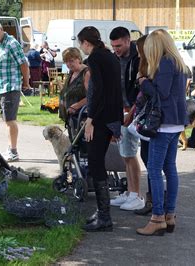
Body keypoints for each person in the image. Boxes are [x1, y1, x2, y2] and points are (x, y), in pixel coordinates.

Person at [136, 29, 189, 236]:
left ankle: (157, 217)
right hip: (175, 122)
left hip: (164, 123)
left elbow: (161, 93)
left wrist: (144, 82)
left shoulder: (166, 63)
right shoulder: (179, 63)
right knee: (170, 168)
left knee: (154, 168)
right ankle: (170, 215)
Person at [78, 26, 123, 232]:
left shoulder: (95, 59)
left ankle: (105, 217)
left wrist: (90, 118)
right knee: (97, 161)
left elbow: (98, 91)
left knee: (96, 163)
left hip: (101, 118)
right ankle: (101, 211)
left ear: (87, 43)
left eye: (81, 44)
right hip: (112, 116)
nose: (82, 48)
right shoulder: (110, 57)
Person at [108, 27, 144, 211]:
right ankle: (130, 192)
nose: (116, 49)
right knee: (125, 154)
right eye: (113, 46)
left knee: (131, 154)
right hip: (121, 108)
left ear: (128, 40)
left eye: (119, 45)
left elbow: (141, 89)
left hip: (133, 110)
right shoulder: (116, 58)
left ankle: (136, 195)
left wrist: (131, 112)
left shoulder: (138, 57)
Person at [0, 20, 30, 162]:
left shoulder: (11, 43)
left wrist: (26, 82)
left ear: (1, 30)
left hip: (10, 87)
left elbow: (23, 63)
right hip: (2, 88)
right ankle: (10, 148)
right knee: (7, 120)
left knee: (10, 120)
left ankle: (13, 151)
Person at [132, 35, 155, 216]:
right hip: (146, 120)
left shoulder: (154, 69)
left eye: (140, 52)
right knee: (147, 158)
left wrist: (142, 81)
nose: (138, 55)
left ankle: (155, 203)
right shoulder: (145, 66)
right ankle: (153, 200)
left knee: (154, 164)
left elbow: (153, 95)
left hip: (152, 122)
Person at [58, 47, 90, 130]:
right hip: (70, 118)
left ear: (79, 59)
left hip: (81, 117)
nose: (68, 64)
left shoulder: (86, 73)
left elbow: (92, 96)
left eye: (71, 61)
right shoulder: (72, 72)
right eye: (66, 62)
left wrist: (77, 105)